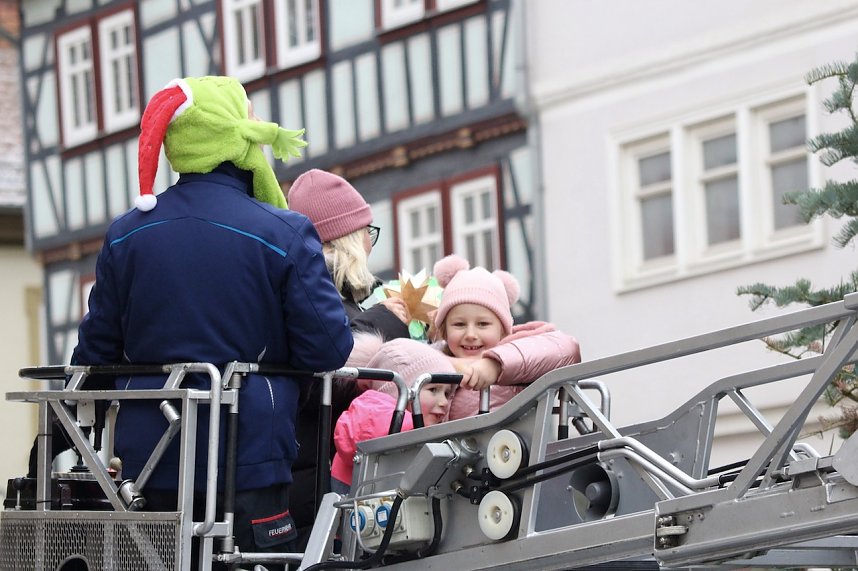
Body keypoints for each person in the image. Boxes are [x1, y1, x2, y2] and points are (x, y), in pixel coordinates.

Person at [69, 76, 354, 566]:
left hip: (149, 460)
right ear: (239, 135)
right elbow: (328, 347)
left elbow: (95, 356)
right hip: (249, 455)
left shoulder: (125, 234)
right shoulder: (282, 230)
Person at [286, 169, 412, 541]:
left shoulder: (317, 290)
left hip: (312, 474)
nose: (372, 246)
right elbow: (330, 371)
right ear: (349, 241)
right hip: (318, 480)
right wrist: (386, 324)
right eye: (367, 234)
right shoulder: (320, 296)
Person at [430, 254, 582, 420]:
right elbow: (401, 352)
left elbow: (566, 349)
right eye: (459, 324)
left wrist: (495, 365)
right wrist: (451, 364)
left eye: (483, 324)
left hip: (505, 445)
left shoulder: (516, 348)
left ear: (502, 330)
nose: (471, 335)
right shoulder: (430, 356)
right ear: (444, 330)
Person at [331, 338, 456, 494]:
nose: (444, 402)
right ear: (399, 389)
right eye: (433, 390)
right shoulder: (373, 415)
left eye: (447, 393)